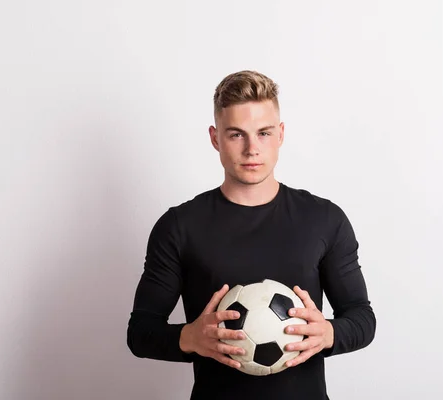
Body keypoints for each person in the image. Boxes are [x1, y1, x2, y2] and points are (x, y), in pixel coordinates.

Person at [127, 70, 376, 399]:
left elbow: (361, 317)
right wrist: (189, 338)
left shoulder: (324, 219)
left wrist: (328, 333)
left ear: (281, 134)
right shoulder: (179, 226)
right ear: (215, 138)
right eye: (236, 135)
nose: (251, 149)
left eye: (263, 133)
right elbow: (141, 333)